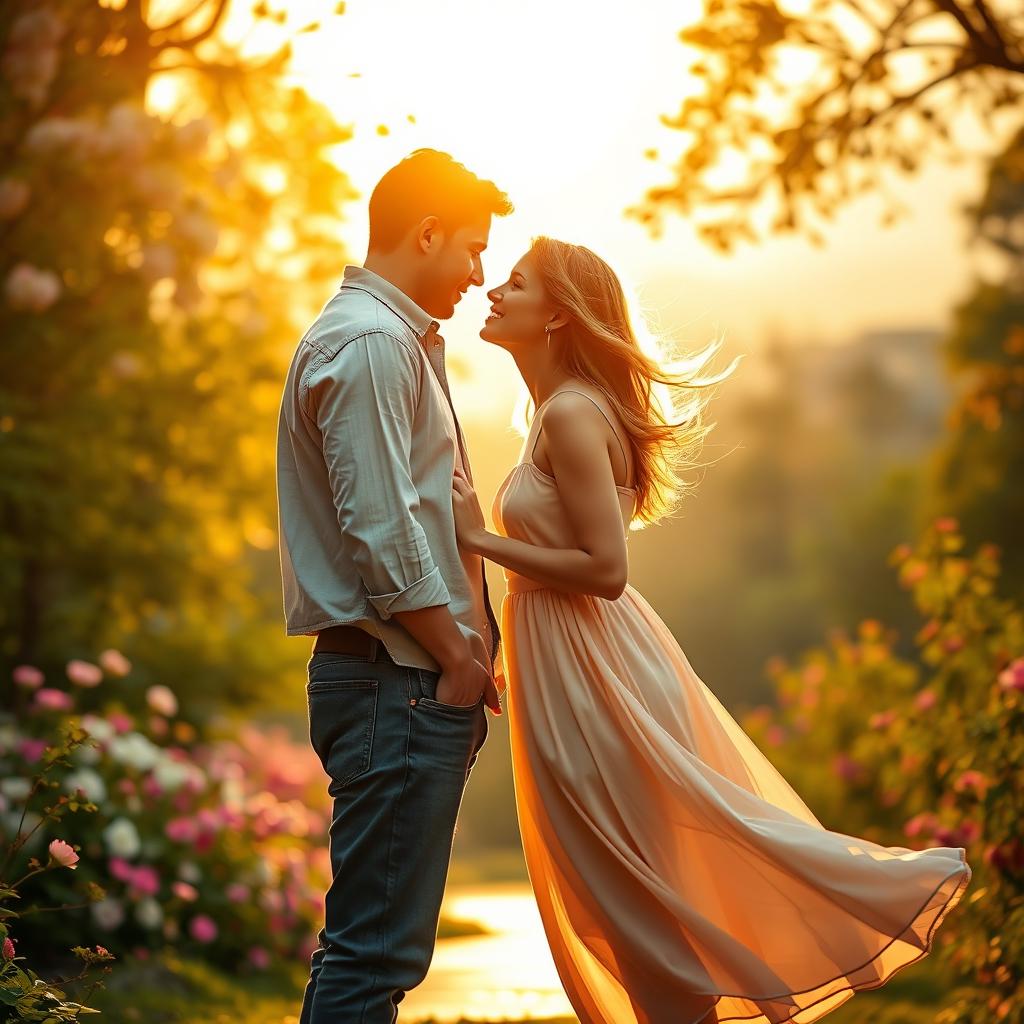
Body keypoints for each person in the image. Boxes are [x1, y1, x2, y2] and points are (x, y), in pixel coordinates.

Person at [450, 236, 972, 1024]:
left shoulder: (569, 415)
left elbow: (604, 568)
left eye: (515, 283)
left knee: (636, 902)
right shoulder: (548, 413)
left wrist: (476, 539)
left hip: (600, 678)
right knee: (621, 896)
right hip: (569, 668)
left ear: (558, 314)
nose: (494, 291)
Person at [275, 149, 511, 1024]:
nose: (478, 274)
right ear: (426, 232)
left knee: (373, 953)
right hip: (397, 681)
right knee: (374, 957)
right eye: (472, 249)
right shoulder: (373, 342)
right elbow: (381, 528)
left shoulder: (381, 338)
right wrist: (457, 657)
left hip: (399, 683)